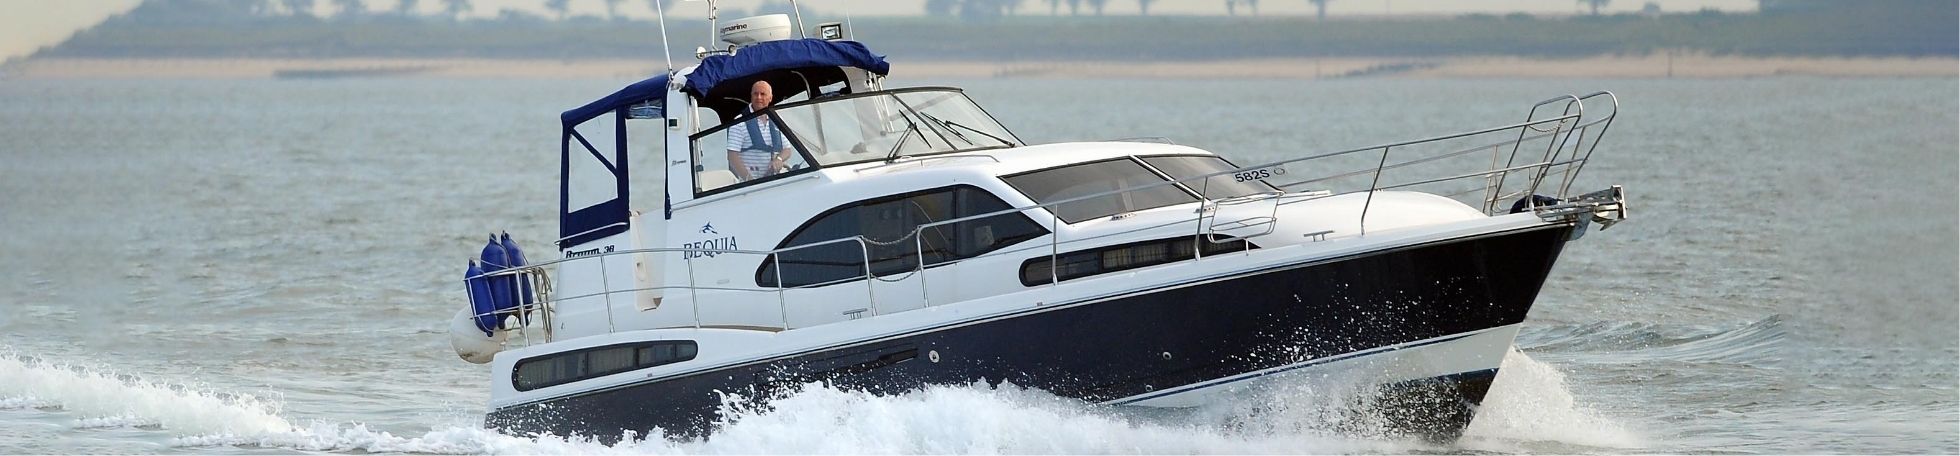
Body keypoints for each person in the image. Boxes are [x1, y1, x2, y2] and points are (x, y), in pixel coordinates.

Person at [726, 81, 794, 181]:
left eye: (763, 94)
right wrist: (748, 179)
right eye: (755, 94)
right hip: (750, 186)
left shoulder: (777, 120)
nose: (758, 97)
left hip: (775, 181)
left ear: (770, 98)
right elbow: (732, 155)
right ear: (751, 96)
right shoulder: (739, 122)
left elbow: (787, 149)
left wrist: (778, 160)